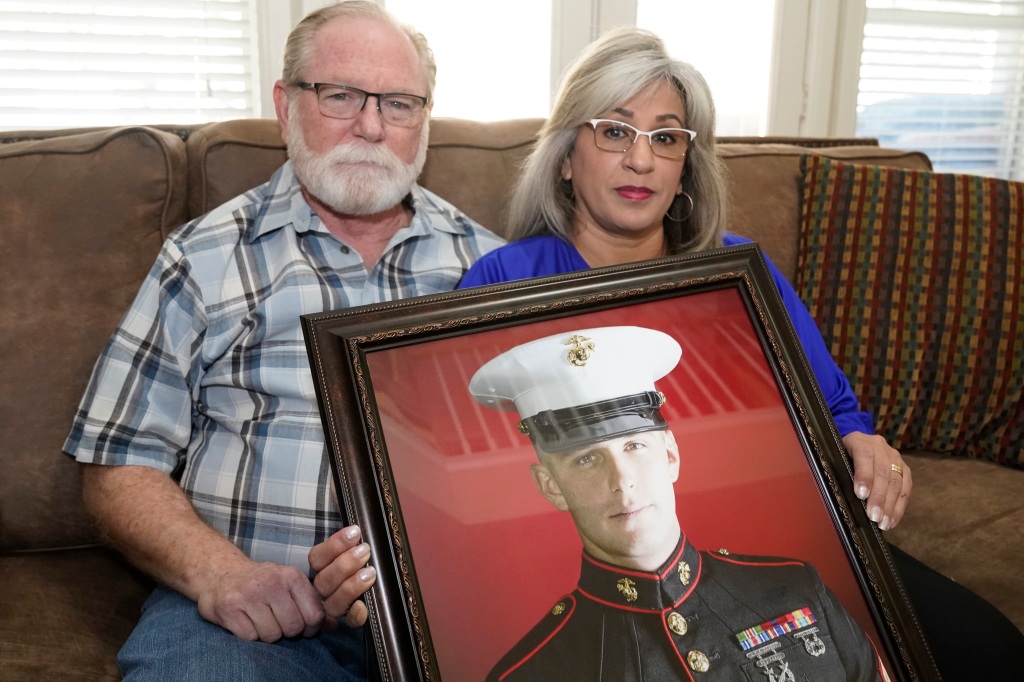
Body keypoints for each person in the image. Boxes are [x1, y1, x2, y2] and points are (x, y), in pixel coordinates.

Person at [459, 27, 1024, 681]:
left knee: (991, 652)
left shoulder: (739, 273)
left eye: (665, 138)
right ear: (564, 156)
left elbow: (834, 406)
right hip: (607, 575)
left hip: (784, 545)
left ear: (686, 166)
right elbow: (488, 470)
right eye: (615, 131)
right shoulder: (503, 281)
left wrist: (864, 442)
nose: (640, 161)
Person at [62, 3, 503, 680]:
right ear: (285, 104)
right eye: (341, 95)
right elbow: (116, 459)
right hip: (248, 628)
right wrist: (222, 575)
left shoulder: (489, 269)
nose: (372, 125)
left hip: (447, 615)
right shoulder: (205, 255)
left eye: (400, 102)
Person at [470, 326, 885, 682]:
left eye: (634, 445)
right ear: (551, 486)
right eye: (587, 459)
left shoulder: (795, 586)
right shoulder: (531, 672)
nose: (622, 480)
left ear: (670, 455)